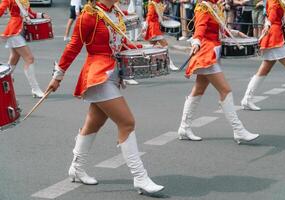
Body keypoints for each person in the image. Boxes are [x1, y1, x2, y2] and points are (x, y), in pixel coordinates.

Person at [46, 0, 164, 194]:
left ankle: (76, 167)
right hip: (97, 76)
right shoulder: (88, 15)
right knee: (127, 122)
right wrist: (57, 76)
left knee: (93, 123)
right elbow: (74, 47)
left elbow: (122, 42)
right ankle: (140, 177)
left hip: (113, 74)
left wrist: (141, 48)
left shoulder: (115, 12)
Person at [177, 0, 260, 144]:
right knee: (225, 90)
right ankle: (238, 130)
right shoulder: (203, 6)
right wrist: (196, 41)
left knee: (198, 90)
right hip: (206, 54)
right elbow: (200, 28)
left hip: (213, 52)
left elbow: (217, 28)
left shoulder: (213, 6)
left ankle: (184, 127)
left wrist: (235, 32)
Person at [241, 0, 285, 113]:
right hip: (274, 36)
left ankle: (247, 99)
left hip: (274, 35)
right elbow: (272, 13)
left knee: (264, 69)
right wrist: (269, 23)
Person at [0, 0, 50, 98]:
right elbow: (1, 9)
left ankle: (4, 79)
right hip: (14, 31)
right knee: (29, 58)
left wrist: (42, 15)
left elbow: (30, 14)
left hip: (22, 30)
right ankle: (35, 88)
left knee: (14, 57)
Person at [143, 0, 179, 71]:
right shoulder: (152, 4)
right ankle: (170, 64)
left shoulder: (157, 3)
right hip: (153, 28)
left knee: (153, 46)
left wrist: (165, 18)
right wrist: (145, 24)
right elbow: (149, 15)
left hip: (155, 26)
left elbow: (156, 15)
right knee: (164, 45)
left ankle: (145, 58)